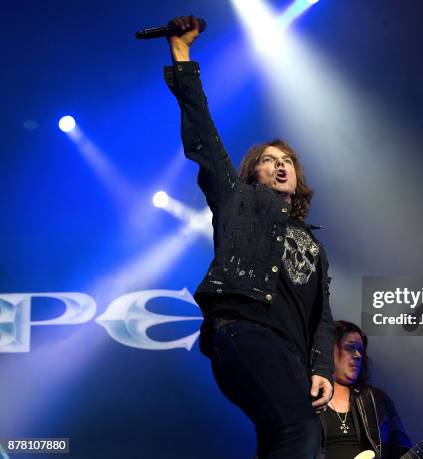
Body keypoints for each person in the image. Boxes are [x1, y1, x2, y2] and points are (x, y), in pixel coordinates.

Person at [164, 15, 335, 458]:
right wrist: (183, 55)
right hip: (246, 332)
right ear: (251, 172)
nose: (281, 165)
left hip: (292, 358)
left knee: (288, 441)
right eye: (269, 160)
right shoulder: (237, 200)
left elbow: (323, 315)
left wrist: (321, 369)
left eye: (288, 161)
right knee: (299, 430)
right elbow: (202, 134)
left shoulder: (313, 245)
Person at [323, 321, 423, 459]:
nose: (358, 355)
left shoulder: (377, 400)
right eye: (350, 347)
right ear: (328, 349)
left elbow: (403, 452)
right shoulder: (307, 397)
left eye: (361, 350)